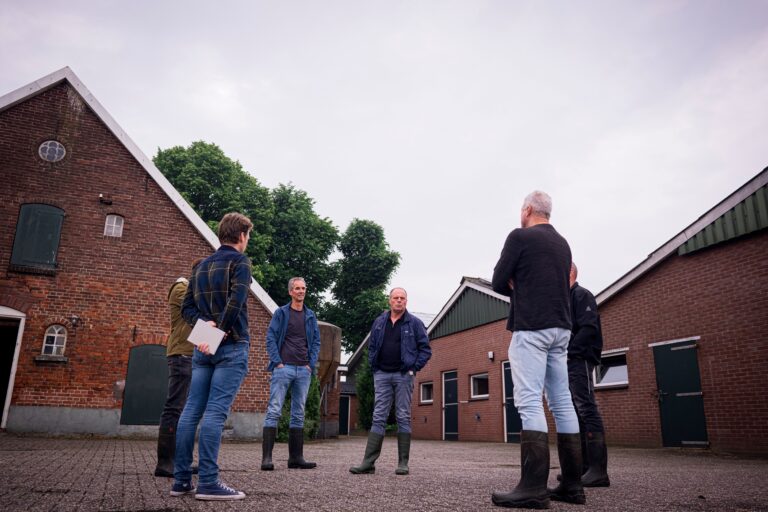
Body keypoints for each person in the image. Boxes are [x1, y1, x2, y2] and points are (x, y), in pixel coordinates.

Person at [490, 191, 584, 508]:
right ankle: (572, 485)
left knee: (529, 400)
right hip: (562, 327)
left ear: (528, 209)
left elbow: (498, 280)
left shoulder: (520, 237)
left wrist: (516, 279)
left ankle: (533, 488)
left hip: (531, 326)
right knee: (562, 402)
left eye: (521, 208)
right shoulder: (563, 244)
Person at [171, 212, 253, 501]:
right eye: (248, 236)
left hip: (203, 343)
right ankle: (207, 482)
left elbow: (186, 308)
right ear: (241, 235)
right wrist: (222, 328)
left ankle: (181, 480)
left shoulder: (202, 265)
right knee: (216, 412)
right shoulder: (241, 262)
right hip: (230, 344)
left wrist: (205, 326)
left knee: (191, 410)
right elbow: (237, 301)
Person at [350, 287, 431, 476]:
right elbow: (372, 347)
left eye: (402, 298)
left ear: (406, 301)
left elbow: (426, 350)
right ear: (390, 300)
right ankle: (368, 463)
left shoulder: (415, 323)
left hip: (404, 375)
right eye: (396, 298)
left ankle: (403, 463)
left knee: (402, 415)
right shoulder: (379, 322)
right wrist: (374, 367)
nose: (399, 301)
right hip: (382, 375)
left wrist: (413, 368)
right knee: (378, 416)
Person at [261, 277, 321, 471]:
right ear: (290, 292)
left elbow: (316, 342)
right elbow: (270, 337)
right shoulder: (281, 313)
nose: (301, 291)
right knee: (274, 410)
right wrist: (277, 362)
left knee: (298, 414)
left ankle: (296, 458)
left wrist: (310, 364)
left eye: (303, 288)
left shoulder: (310, 315)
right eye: (297, 288)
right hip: (283, 368)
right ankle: (267, 459)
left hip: (303, 370)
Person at [564, 262, 610, 487]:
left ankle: (598, 470)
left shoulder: (582, 295)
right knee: (575, 410)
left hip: (580, 358)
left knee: (585, 407)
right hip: (569, 361)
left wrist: (569, 352)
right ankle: (582, 468)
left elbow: (589, 328)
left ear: (570, 272)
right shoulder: (565, 299)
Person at [154, 260, 201, 478]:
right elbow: (201, 313)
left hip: (193, 355)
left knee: (187, 410)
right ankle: (165, 463)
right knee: (175, 407)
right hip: (181, 354)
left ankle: (181, 461)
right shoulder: (182, 288)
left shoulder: (194, 291)